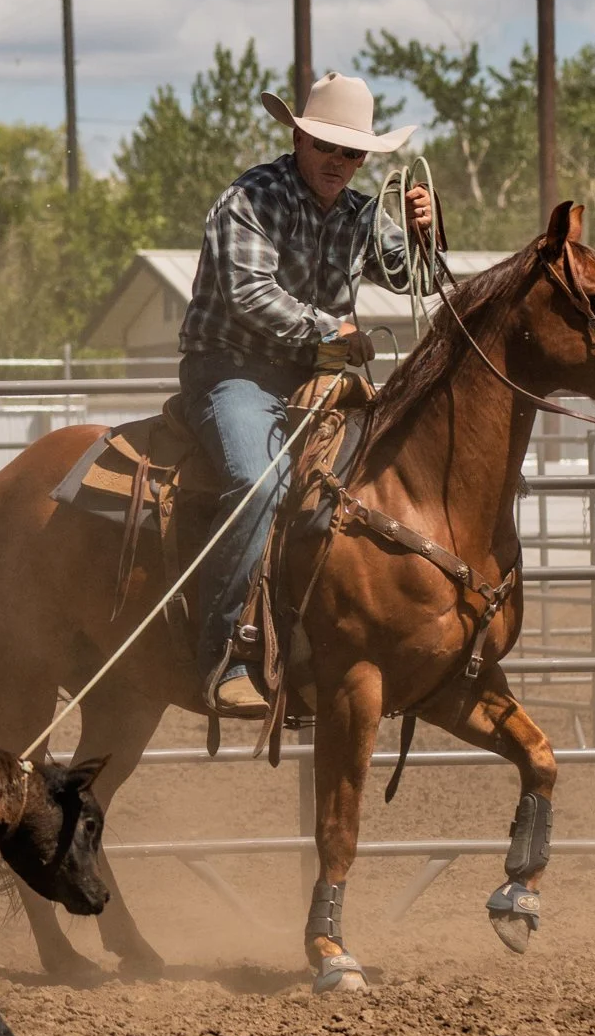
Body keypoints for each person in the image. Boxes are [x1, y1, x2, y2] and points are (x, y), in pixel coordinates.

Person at [177, 72, 438, 717]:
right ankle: (224, 653)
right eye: (328, 146)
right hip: (232, 370)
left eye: (354, 154)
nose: (341, 164)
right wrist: (333, 329)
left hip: (317, 378)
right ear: (297, 135)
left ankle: (340, 637)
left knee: (388, 479)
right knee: (257, 482)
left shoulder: (358, 214)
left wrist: (424, 230)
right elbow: (248, 294)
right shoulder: (251, 198)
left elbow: (414, 278)